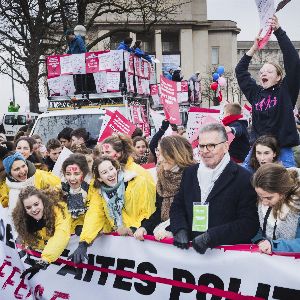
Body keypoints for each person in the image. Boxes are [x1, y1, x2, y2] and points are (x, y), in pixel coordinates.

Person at [170, 123, 259, 254]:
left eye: (211, 145)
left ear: (225, 146)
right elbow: (178, 206)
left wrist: (212, 237)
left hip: (226, 257)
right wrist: (179, 229)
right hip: (191, 254)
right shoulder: (190, 173)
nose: (205, 150)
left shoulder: (244, 178)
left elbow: (249, 223)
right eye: (202, 146)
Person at [235, 15, 300, 168]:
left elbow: (294, 63)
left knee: (287, 186)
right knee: (243, 179)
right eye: (262, 72)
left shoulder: (285, 91)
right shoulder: (256, 93)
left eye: (269, 72)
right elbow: (240, 71)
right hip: (259, 150)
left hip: (282, 149)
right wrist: (254, 48)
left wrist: (278, 31)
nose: (264, 74)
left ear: (278, 77)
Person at [68, 156, 156, 264]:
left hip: (142, 236)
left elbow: (149, 211)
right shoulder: (100, 193)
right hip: (122, 240)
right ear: (99, 178)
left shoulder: (137, 182)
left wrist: (133, 228)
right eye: (104, 172)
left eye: (111, 169)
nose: (110, 174)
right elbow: (95, 216)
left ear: (116, 168)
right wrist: (84, 243)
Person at [134, 135, 195, 241]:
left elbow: (193, 214)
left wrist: (171, 230)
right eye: (158, 152)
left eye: (163, 154)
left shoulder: (193, 176)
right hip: (163, 237)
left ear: (175, 154)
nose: (160, 158)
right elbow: (159, 211)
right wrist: (145, 227)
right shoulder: (162, 177)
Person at [12, 186, 71, 279]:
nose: (34, 209)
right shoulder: (23, 221)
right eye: (28, 207)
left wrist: (44, 260)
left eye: (36, 204)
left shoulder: (59, 209)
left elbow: (61, 234)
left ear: (43, 201)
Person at [252, 163, 300, 253]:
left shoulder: (297, 206)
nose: (264, 202)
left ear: (282, 192)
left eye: (269, 198)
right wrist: (259, 240)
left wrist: (275, 245)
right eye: (260, 196)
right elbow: (257, 226)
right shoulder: (264, 196)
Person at [1, 152, 61, 217]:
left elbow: (58, 185)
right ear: (10, 174)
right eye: (17, 169)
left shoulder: (38, 175)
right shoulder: (14, 195)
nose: (22, 171)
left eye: (23, 166)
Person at [61, 154, 90, 235]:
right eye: (68, 174)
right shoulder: (61, 190)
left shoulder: (91, 190)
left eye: (76, 174)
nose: (72, 178)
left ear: (84, 174)